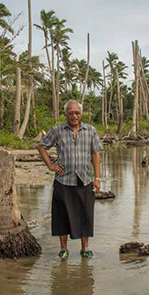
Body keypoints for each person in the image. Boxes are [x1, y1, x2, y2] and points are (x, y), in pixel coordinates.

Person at [36, 100, 103, 259]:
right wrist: (50, 165)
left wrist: (98, 178)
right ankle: (64, 249)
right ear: (65, 114)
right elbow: (41, 146)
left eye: (77, 112)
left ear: (81, 114)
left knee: (85, 215)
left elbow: (95, 154)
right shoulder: (57, 130)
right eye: (71, 112)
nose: (74, 115)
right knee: (62, 215)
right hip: (63, 181)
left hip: (85, 180)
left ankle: (85, 248)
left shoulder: (90, 130)